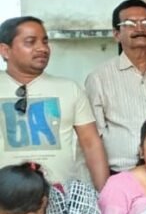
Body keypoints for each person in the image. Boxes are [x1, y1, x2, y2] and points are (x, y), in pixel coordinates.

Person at [0, 16, 109, 189]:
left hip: (61, 196)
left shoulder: (69, 88)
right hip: (5, 198)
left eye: (45, 41)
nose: (42, 48)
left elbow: (91, 144)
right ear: (5, 50)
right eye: (30, 42)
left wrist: (104, 194)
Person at [86, 0, 146, 174]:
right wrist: (103, 184)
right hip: (122, 173)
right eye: (130, 24)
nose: (140, 29)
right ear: (116, 34)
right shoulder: (99, 78)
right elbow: (93, 138)